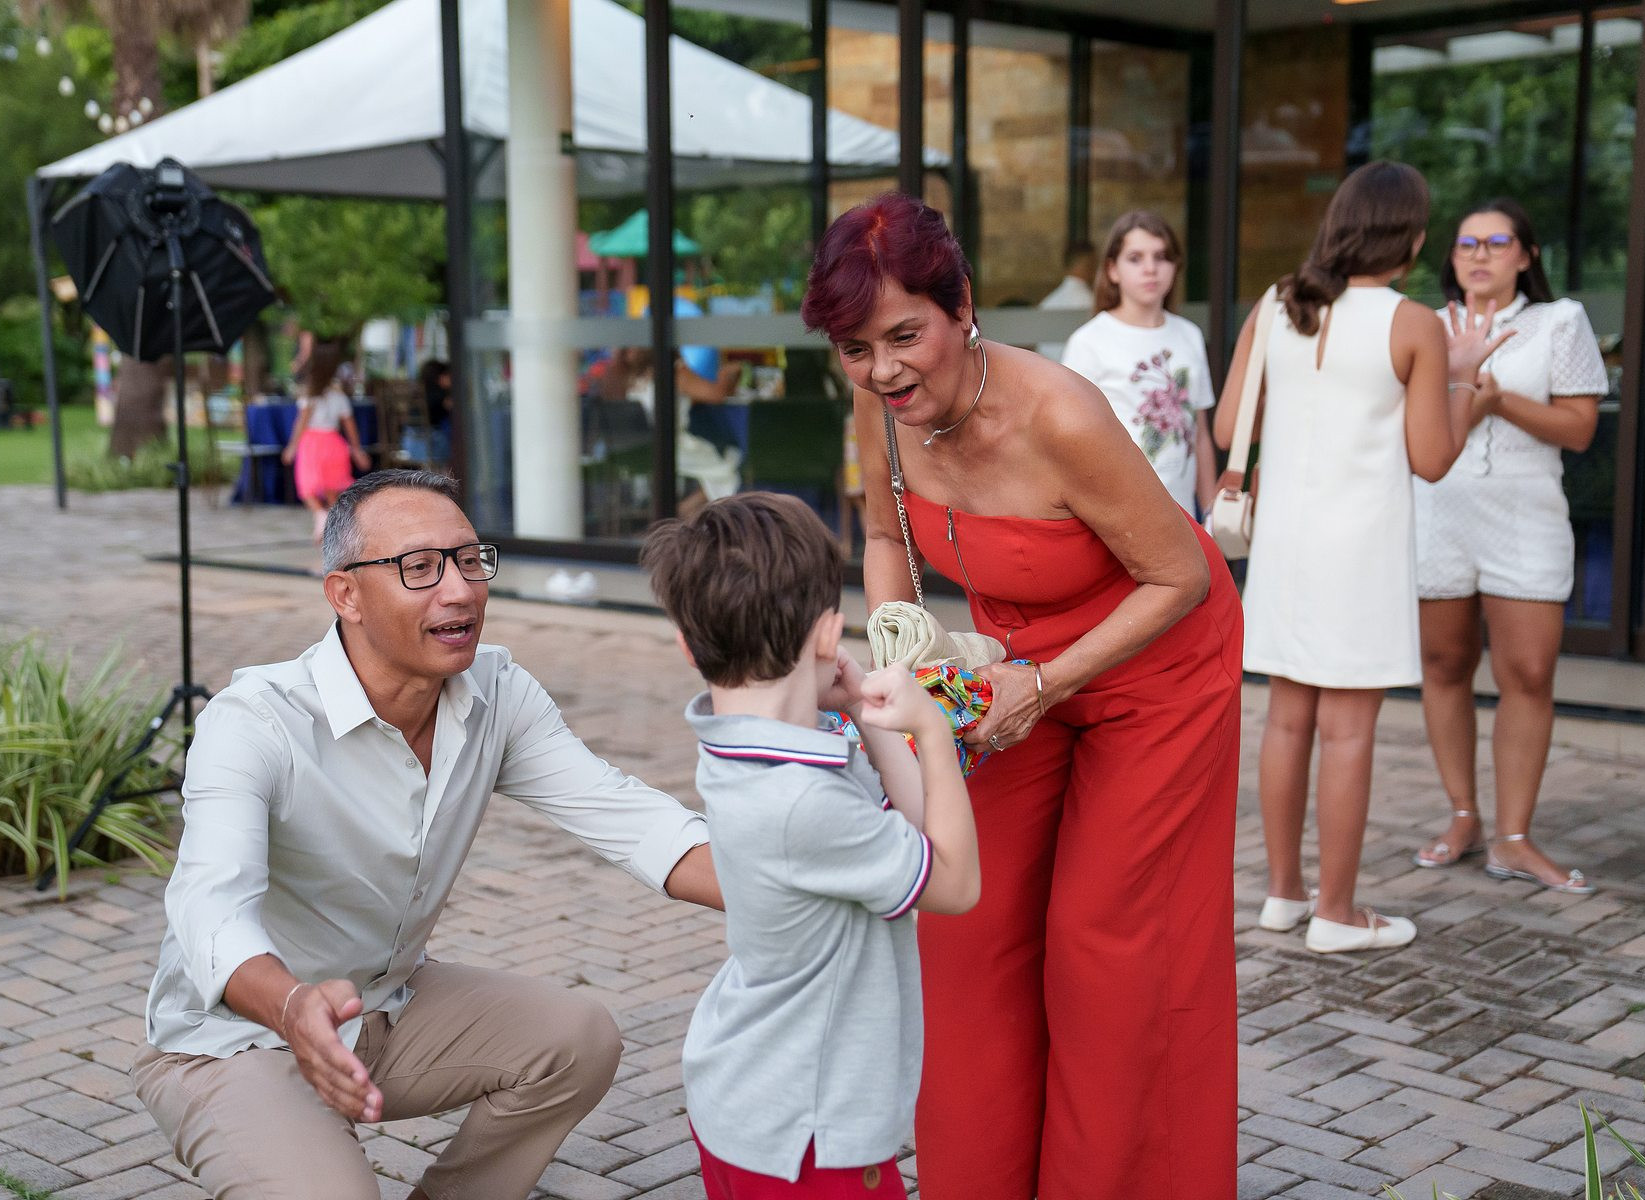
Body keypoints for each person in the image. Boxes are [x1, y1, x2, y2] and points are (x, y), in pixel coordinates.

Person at [805, 191, 1243, 1200]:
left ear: (962, 307)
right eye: (856, 350)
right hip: (1005, 666)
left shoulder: (1061, 414)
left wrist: (1044, 684)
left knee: (1107, 947)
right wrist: (903, 654)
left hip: (1155, 661)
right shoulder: (883, 410)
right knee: (969, 917)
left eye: (904, 336)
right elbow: (883, 536)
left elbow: (1180, 576)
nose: (884, 371)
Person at [130, 469, 722, 1200]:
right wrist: (292, 1006)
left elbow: (633, 820)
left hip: (386, 1007)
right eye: (419, 567)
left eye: (469, 560)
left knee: (578, 1039)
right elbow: (209, 908)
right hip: (235, 1040)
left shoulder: (497, 693)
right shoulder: (257, 720)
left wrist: (803, 883)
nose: (460, 590)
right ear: (345, 595)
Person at [640, 493, 980, 1199]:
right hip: (810, 1130)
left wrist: (863, 713)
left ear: (687, 644)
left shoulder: (750, 749)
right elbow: (955, 884)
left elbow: (910, 828)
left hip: (750, 1100)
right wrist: (932, 730)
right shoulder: (804, 801)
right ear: (830, 634)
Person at [1213, 160, 1510, 955]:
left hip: (1284, 544)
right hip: (1362, 550)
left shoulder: (1278, 303)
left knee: (1286, 720)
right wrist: (1465, 385)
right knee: (1347, 732)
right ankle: (1338, 914)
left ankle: (1284, 895)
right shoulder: (1412, 324)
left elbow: (1229, 430)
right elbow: (1432, 459)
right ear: (1409, 239)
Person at [1410, 198, 1608, 894]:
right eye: (1467, 243)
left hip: (1525, 516)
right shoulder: (1425, 328)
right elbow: (1414, 433)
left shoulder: (1560, 322)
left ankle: (1514, 837)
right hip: (1439, 513)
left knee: (1527, 671)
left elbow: (1580, 429)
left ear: (1526, 255)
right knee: (1444, 664)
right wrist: (1467, 393)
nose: (1481, 255)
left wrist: (1498, 401)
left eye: (1497, 242)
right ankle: (1463, 816)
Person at [1060, 211, 1218, 517]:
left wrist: (1211, 513)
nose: (1150, 269)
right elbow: (1071, 446)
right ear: (1112, 269)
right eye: (1135, 258)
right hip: (1119, 518)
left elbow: (1199, 433)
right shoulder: (1088, 342)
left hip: (1185, 515)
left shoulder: (1190, 335)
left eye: (1161, 257)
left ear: (1175, 266)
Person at [599, 346, 743, 518]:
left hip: (631, 453)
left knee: (721, 463)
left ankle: (679, 514)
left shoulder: (627, 378)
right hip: (671, 448)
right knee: (730, 467)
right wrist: (730, 373)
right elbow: (717, 394)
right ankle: (680, 515)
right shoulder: (671, 370)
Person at [283, 348, 371, 543]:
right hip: (334, 443)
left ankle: (320, 515)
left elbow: (301, 423)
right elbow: (350, 426)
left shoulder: (309, 396)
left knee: (307, 487)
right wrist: (357, 450)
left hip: (312, 445)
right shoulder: (339, 397)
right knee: (332, 490)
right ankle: (334, 530)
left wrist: (292, 447)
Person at [1034, 238, 1097, 358]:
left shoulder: (1048, 302)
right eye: (1095, 263)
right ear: (1088, 264)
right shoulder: (1088, 301)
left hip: (1046, 364)